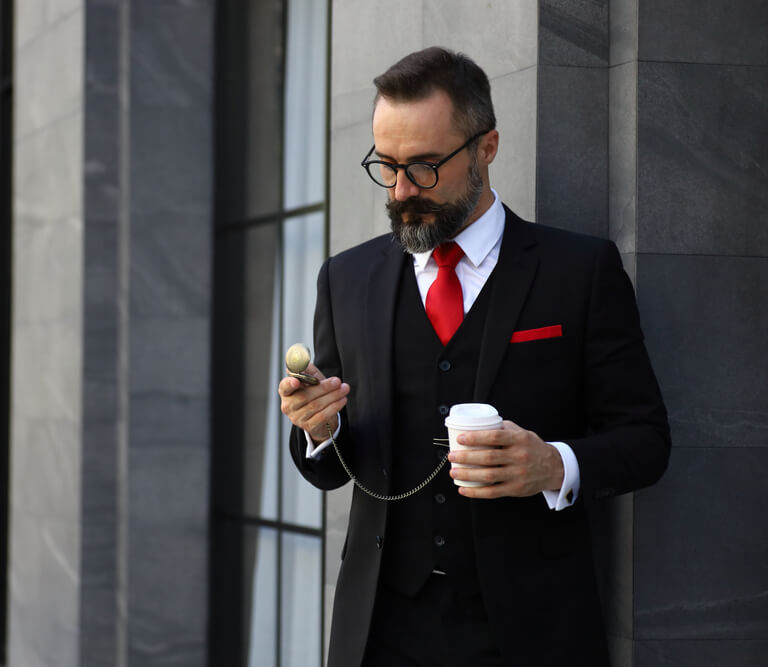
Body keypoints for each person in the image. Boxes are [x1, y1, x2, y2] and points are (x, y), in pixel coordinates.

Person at [278, 47, 670, 667]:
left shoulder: (580, 271)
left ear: (486, 148)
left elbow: (646, 440)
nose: (403, 190)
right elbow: (331, 467)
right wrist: (321, 429)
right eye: (388, 165)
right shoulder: (346, 279)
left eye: (426, 167)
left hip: (532, 632)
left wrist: (553, 466)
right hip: (380, 632)